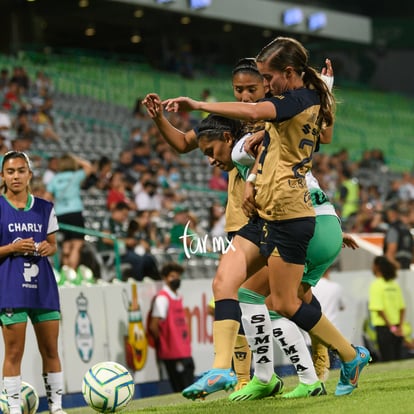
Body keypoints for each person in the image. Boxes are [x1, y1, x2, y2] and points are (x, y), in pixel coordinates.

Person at [163, 36, 370, 399]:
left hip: (291, 213)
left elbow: (261, 114)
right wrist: (254, 179)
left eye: (267, 78)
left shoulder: (295, 101)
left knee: (286, 303)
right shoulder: (300, 100)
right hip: (270, 214)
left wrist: (197, 103)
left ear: (288, 73)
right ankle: (224, 370)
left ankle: (349, 356)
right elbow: (278, 137)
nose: (264, 87)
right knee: (234, 287)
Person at [142, 56, 269, 390]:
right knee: (239, 295)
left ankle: (328, 360)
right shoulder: (225, 117)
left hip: (275, 214)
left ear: (267, 84)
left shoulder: (274, 114)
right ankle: (244, 380)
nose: (243, 96)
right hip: (240, 220)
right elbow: (185, 142)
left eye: (250, 89)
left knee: (287, 298)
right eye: (237, 90)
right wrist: (159, 119)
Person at [0, 151, 66, 414]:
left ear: (29, 174)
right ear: (3, 176)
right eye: (10, 171)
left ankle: (57, 408)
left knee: (51, 350)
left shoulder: (44, 207)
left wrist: (48, 249)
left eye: (20, 170)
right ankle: (13, 409)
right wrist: (11, 248)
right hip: (10, 287)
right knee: (14, 352)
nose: (16, 176)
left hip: (43, 286)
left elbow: (53, 245)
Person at [149, 262, 195, 392]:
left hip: (184, 349)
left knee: (189, 381)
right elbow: (154, 325)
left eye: (178, 276)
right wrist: (165, 342)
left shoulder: (178, 296)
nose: (176, 279)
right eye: (172, 276)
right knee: (181, 388)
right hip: (172, 352)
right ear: (165, 278)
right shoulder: (162, 299)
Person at [46, 153, 93, 273]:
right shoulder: (75, 175)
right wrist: (75, 159)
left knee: (66, 246)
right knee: (76, 246)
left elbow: (47, 197)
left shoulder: (54, 179)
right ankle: (72, 272)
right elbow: (89, 167)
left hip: (60, 214)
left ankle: (64, 272)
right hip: (75, 212)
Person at [99, 201, 159, 281]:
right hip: (110, 253)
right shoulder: (108, 221)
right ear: (116, 211)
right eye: (124, 215)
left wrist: (134, 242)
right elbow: (106, 239)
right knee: (138, 260)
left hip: (123, 252)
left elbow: (126, 240)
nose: (125, 217)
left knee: (148, 259)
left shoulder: (120, 224)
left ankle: (154, 281)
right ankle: (138, 282)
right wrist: (126, 242)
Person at [368, 256, 406, 362]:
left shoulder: (375, 285)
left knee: (388, 361)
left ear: (377, 267)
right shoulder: (394, 285)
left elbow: (379, 310)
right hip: (398, 327)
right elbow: (402, 308)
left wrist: (392, 328)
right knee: (399, 362)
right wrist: (399, 328)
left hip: (385, 328)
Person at [311, 268, 346, 380]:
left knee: (315, 363)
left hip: (312, 330)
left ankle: (316, 381)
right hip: (332, 329)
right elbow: (342, 306)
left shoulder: (309, 287)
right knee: (334, 364)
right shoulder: (336, 287)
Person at [383, 204, 413, 271]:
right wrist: (399, 268)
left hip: (404, 270)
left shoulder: (408, 232)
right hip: (396, 271)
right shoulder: (395, 229)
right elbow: (389, 255)